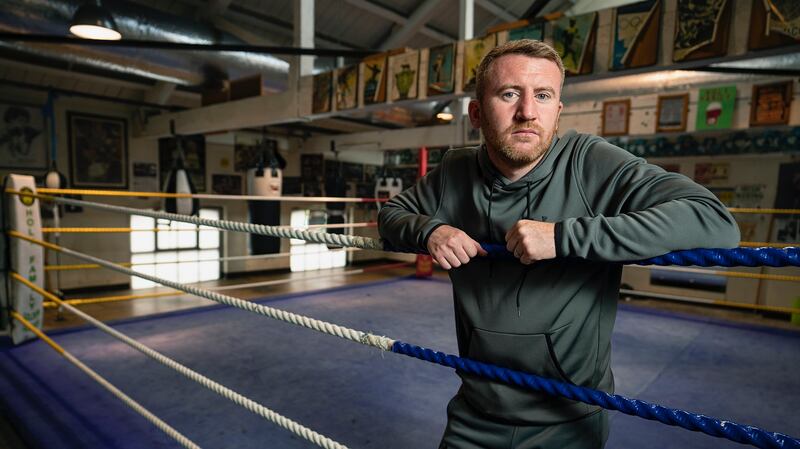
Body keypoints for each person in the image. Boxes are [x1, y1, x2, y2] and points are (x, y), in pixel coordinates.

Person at [377, 39, 739, 449]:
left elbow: (714, 221)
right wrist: (430, 231)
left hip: (568, 420)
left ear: (558, 111)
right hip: (474, 412)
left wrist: (566, 237)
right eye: (509, 93)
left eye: (543, 96)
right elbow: (391, 215)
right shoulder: (455, 171)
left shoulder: (590, 162)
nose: (527, 111)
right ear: (477, 113)